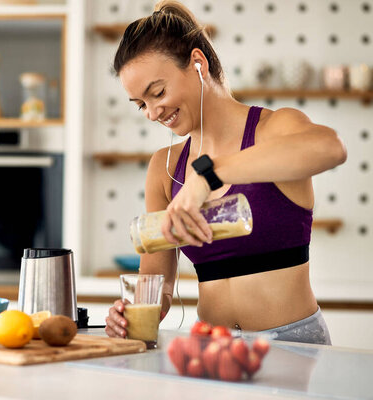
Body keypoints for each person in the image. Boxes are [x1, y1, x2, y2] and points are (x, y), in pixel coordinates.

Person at [105, 0, 347, 345]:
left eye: (157, 92)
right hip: (211, 347)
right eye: (141, 104)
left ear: (198, 62)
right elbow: (157, 286)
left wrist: (208, 175)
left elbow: (331, 148)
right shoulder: (166, 167)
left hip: (294, 346)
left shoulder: (272, 130)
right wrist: (131, 313)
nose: (152, 112)